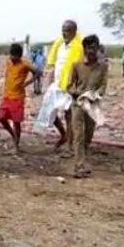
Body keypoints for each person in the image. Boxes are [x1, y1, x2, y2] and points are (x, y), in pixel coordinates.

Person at [66, 35, 108, 178]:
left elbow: (103, 86)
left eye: (94, 48)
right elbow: (69, 86)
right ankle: (79, 166)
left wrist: (96, 94)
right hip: (78, 104)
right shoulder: (76, 65)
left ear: (97, 48)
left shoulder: (103, 67)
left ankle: (83, 160)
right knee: (78, 135)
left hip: (93, 105)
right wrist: (78, 93)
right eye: (89, 48)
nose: (91, 51)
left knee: (88, 135)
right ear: (84, 49)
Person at [45, 20, 83, 151]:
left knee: (68, 115)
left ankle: (69, 146)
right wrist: (50, 80)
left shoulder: (79, 47)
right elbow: (54, 65)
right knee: (49, 111)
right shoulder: (60, 45)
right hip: (56, 84)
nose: (64, 33)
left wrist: (75, 87)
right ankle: (64, 135)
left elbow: (80, 68)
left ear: (74, 32)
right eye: (63, 30)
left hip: (70, 86)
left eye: (67, 30)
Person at [0, 43, 40, 154]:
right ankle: (13, 135)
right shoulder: (8, 62)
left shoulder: (24, 64)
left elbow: (38, 72)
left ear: (19, 56)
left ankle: (16, 146)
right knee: (1, 118)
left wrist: (27, 83)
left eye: (14, 56)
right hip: (7, 95)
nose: (12, 57)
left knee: (16, 122)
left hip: (17, 97)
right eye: (11, 55)